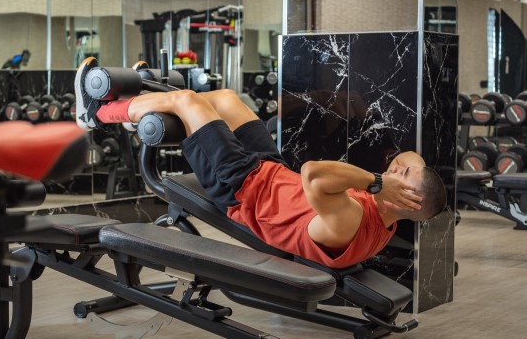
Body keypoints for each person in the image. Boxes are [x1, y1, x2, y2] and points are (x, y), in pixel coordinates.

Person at [74, 57, 447, 269]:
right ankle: (141, 100)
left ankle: (96, 113)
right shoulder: (389, 210)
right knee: (225, 98)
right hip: (268, 171)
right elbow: (412, 160)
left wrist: (379, 181)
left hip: (241, 188)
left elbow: (313, 173)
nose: (395, 168)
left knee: (187, 101)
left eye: (402, 175)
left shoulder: (355, 222)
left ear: (407, 200)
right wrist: (402, 174)